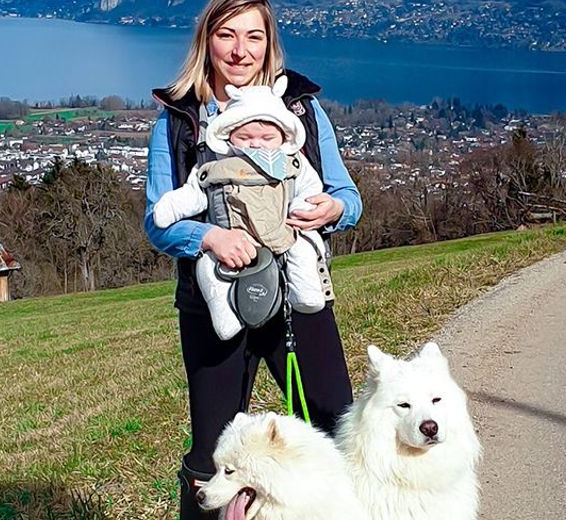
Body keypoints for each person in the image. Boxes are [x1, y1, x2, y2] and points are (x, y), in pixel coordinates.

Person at [142, 0, 362, 518]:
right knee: (212, 458)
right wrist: (209, 238)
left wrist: (331, 208)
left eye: (254, 37)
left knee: (335, 430)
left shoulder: (302, 111)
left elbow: (346, 197)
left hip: (297, 303)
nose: (240, 51)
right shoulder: (179, 120)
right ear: (206, 42)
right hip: (213, 303)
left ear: (269, 44)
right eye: (226, 36)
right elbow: (157, 219)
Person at [151, 77, 332, 340]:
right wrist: (178, 212)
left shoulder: (291, 163)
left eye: (267, 137)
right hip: (231, 246)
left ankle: (305, 294)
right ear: (229, 135)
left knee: (303, 248)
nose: (256, 144)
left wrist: (317, 209)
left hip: (282, 234)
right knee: (208, 267)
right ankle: (224, 313)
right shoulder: (216, 166)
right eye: (245, 137)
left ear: (283, 136)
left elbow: (311, 188)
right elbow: (195, 193)